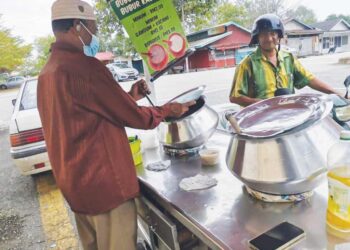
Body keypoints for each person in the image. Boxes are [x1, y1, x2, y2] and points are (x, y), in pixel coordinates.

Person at [37, 0, 195, 249]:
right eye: (93, 27)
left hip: (75, 185)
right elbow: (138, 118)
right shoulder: (85, 67)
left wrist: (130, 97)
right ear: (78, 26)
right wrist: (168, 110)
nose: (95, 35)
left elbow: (86, 114)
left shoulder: (47, 72)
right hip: (104, 187)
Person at [229, 14, 342, 107]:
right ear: (257, 38)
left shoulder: (288, 58)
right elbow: (234, 97)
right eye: (263, 34)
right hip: (260, 121)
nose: (269, 39)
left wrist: (337, 93)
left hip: (288, 115)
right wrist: (264, 104)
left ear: (279, 36)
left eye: (272, 33)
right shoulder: (247, 64)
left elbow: (309, 79)